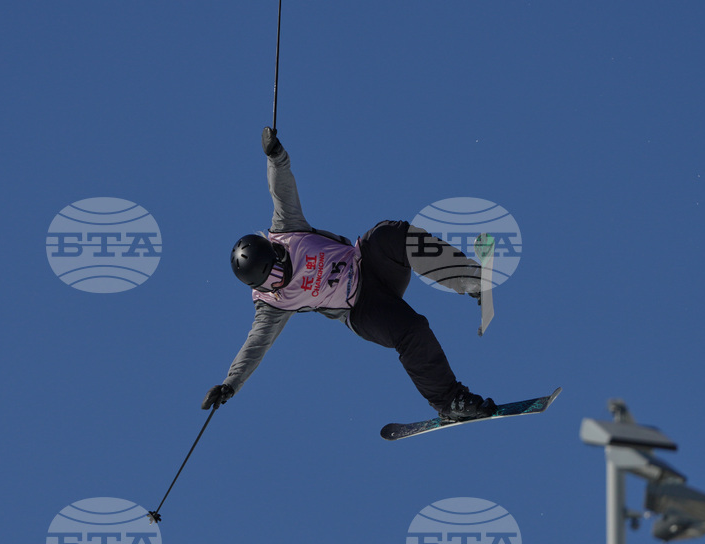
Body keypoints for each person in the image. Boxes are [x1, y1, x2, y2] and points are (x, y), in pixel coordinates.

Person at [201, 127, 496, 422]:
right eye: (272, 281)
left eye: (278, 266)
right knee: (412, 331)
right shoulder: (273, 305)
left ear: (274, 249)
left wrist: (275, 156)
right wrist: (230, 385)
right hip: (362, 309)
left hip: (370, 264)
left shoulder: (288, 231)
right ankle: (451, 402)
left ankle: (467, 278)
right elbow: (254, 347)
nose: (280, 277)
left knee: (389, 233)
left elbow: (281, 189)